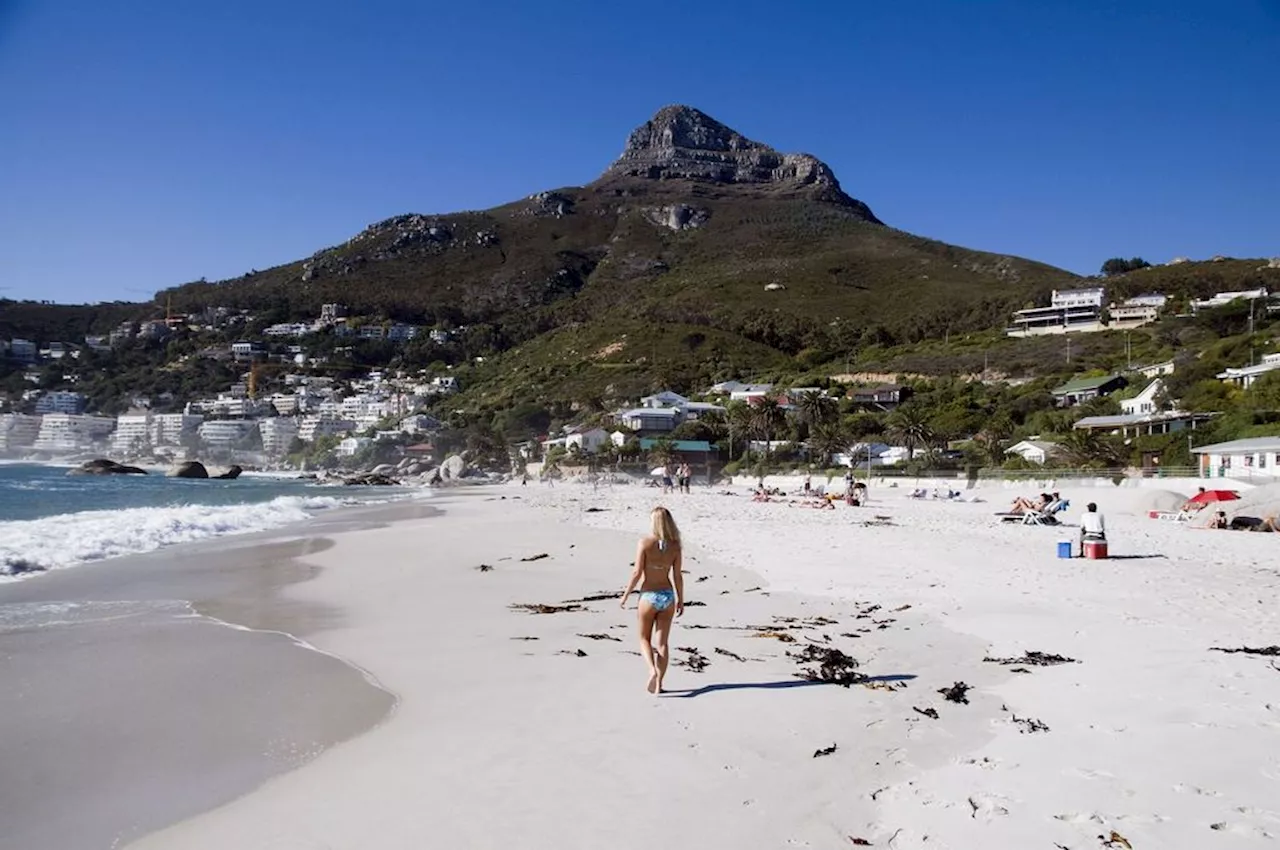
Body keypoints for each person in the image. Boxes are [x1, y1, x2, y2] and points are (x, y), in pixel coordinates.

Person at [619, 507, 685, 694]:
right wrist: (681, 599)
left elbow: (637, 573)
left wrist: (625, 595)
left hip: (648, 596)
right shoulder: (675, 546)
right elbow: (678, 575)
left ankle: (651, 670)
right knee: (662, 643)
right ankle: (660, 684)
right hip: (668, 596)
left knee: (643, 638)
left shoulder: (645, 543)